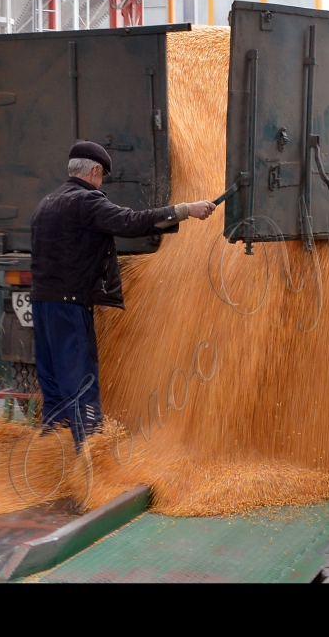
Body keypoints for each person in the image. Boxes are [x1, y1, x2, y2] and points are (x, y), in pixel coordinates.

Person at [30, 140, 215, 448]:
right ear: (94, 170)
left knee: (53, 385)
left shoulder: (46, 203)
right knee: (81, 383)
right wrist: (186, 210)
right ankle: (91, 458)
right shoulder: (86, 202)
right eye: (102, 177)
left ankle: (52, 456)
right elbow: (131, 222)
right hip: (70, 307)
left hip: (42, 304)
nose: (101, 183)